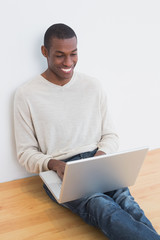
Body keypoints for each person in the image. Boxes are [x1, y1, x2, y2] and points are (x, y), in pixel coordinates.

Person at [14, 23, 160, 240]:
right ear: (45, 52)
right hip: (59, 171)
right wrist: (55, 165)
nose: (68, 62)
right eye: (60, 55)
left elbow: (110, 135)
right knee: (104, 208)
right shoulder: (26, 95)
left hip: (97, 161)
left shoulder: (93, 86)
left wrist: (99, 159)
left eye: (73, 54)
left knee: (128, 203)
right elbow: (25, 153)